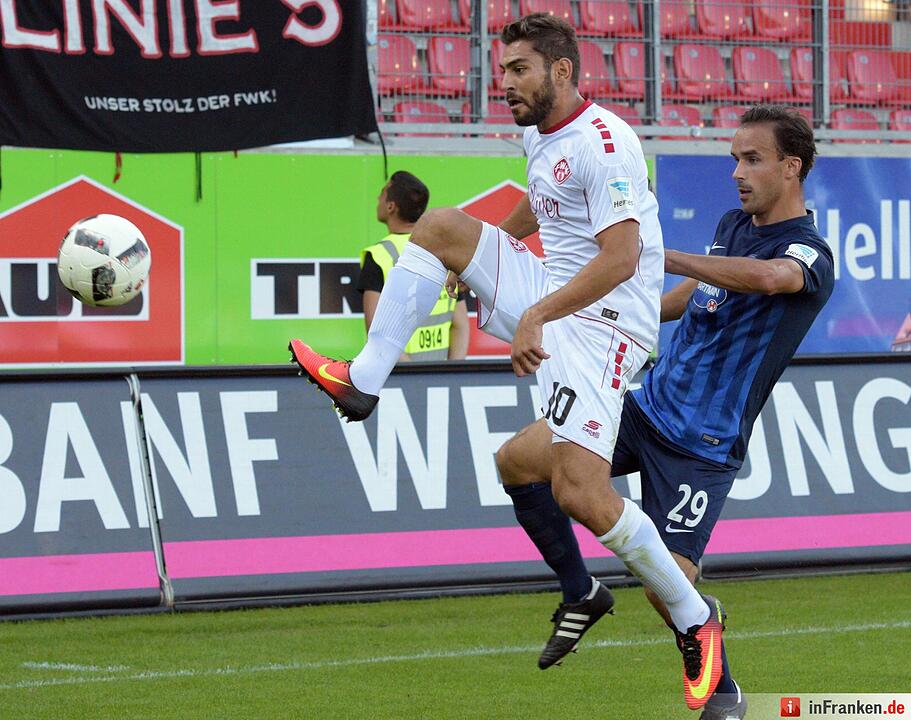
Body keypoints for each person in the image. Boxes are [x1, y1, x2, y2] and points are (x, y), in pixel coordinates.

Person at [290, 13, 728, 711]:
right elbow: (541, 204)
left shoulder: (607, 142)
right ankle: (362, 382)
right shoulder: (539, 134)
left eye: (519, 70)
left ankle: (693, 618)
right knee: (440, 229)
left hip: (606, 324)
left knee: (580, 494)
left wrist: (534, 314)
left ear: (562, 70)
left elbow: (621, 259)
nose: (506, 84)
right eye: (503, 71)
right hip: (556, 293)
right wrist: (481, 254)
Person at [496, 105, 833, 720]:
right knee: (517, 461)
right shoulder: (733, 224)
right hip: (644, 407)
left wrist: (663, 255)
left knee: (666, 589)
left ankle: (724, 693)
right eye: (734, 159)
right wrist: (610, 307)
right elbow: (687, 297)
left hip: (701, 446)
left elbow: (768, 278)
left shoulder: (810, 253)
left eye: (752, 159)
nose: (737, 172)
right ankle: (580, 591)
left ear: (792, 167)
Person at [358, 171, 469, 361]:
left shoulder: (379, 256)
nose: (377, 199)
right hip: (440, 375)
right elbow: (460, 326)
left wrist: (414, 375)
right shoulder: (443, 252)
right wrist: (450, 373)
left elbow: (378, 334)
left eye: (382, 193)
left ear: (391, 206)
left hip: (403, 375)